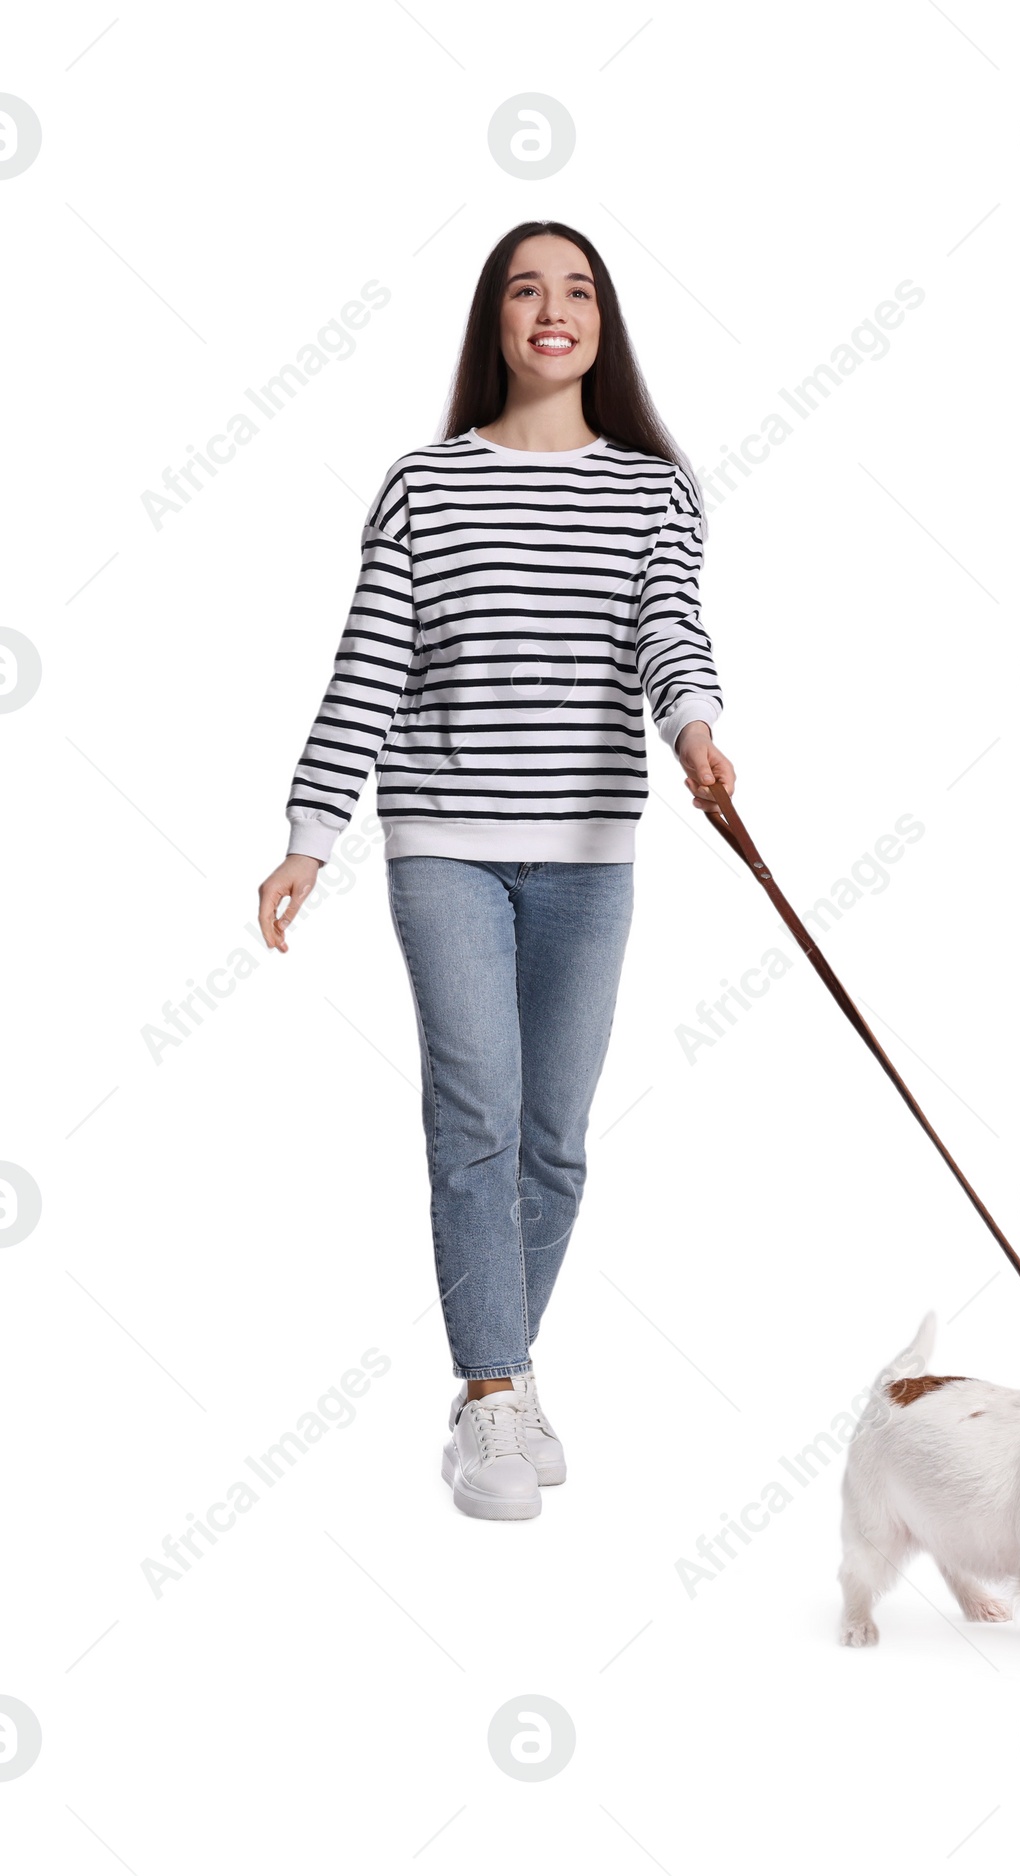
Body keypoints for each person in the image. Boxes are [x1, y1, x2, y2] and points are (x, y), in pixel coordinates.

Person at [256, 220, 734, 1521]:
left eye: (576, 289)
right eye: (526, 289)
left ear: (602, 322)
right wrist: (312, 834)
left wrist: (697, 735)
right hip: (446, 844)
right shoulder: (424, 483)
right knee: (476, 1123)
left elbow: (669, 630)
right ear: (495, 321)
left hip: (590, 849)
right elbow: (369, 662)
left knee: (556, 1146)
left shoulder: (653, 489)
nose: (552, 309)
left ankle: (498, 1375)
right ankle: (493, 1401)